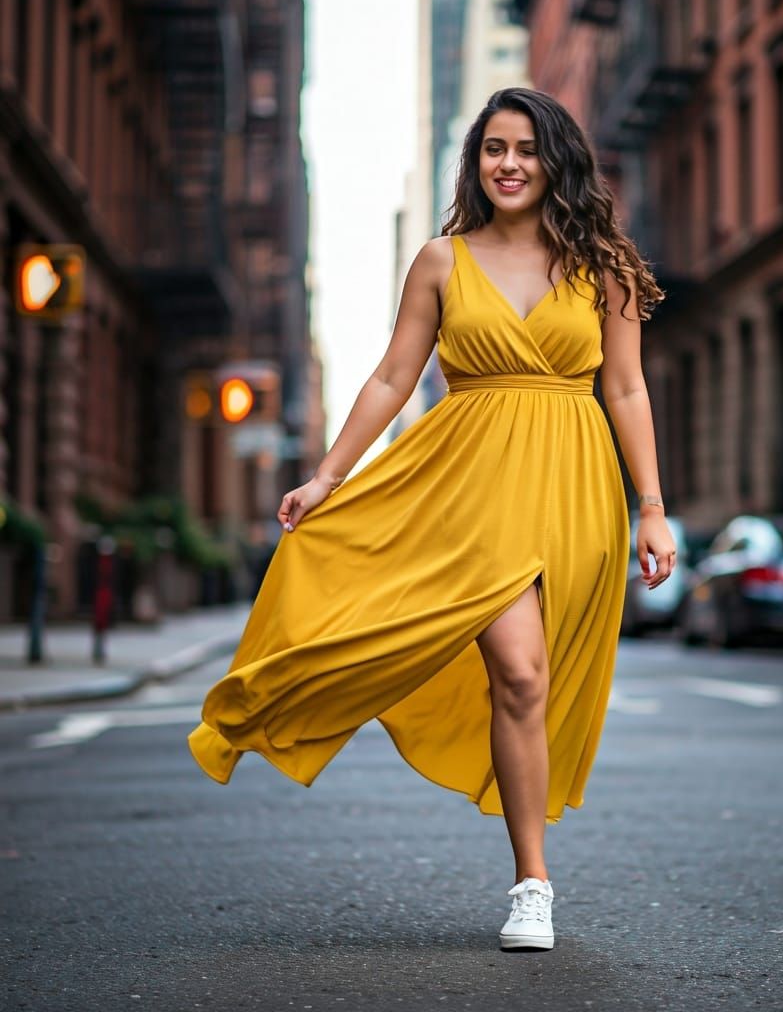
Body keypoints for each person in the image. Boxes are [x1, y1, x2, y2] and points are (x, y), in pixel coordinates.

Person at [188, 87, 675, 952]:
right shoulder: (443, 261)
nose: (510, 164)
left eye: (526, 148)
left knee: (534, 679)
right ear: (475, 161)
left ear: (555, 159)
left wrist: (653, 509)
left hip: (573, 483)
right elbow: (389, 378)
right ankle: (534, 882)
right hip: (467, 483)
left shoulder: (607, 266)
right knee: (520, 671)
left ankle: (530, 873)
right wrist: (328, 476)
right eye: (494, 148)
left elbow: (627, 388)